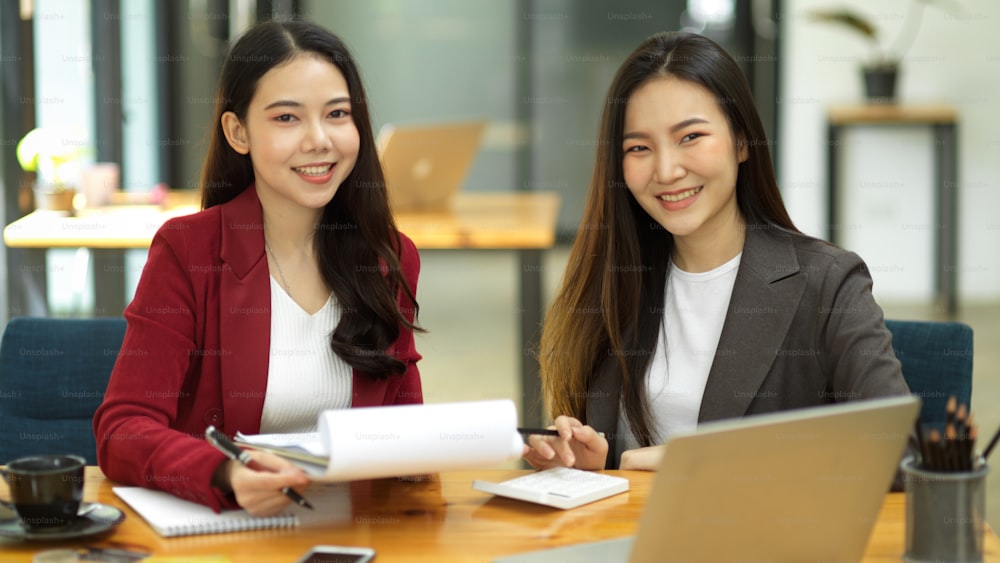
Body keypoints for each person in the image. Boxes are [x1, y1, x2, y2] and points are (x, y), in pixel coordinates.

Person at [524, 32, 909, 473]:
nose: (667, 170)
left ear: (742, 141)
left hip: (763, 539)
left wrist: (698, 462)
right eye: (639, 148)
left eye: (690, 137)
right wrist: (594, 464)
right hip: (627, 537)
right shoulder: (614, 280)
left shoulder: (829, 281)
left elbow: (897, 455)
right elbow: (623, 466)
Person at [93, 21, 423, 516]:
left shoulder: (387, 255)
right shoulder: (189, 252)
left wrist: (510, 446)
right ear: (238, 132)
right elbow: (123, 427)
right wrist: (225, 473)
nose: (319, 140)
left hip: (353, 528)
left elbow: (403, 424)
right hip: (229, 529)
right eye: (287, 118)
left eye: (337, 114)